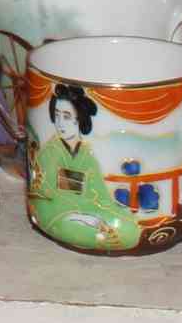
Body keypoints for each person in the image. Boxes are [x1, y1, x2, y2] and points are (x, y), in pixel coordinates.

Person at [26, 82, 140, 252]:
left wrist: (102, 214)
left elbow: (100, 196)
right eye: (56, 116)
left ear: (79, 119)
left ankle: (104, 234)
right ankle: (97, 236)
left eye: (66, 116)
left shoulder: (87, 155)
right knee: (73, 229)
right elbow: (46, 195)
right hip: (58, 213)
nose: (59, 123)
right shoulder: (50, 152)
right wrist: (79, 216)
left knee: (131, 227)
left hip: (89, 210)